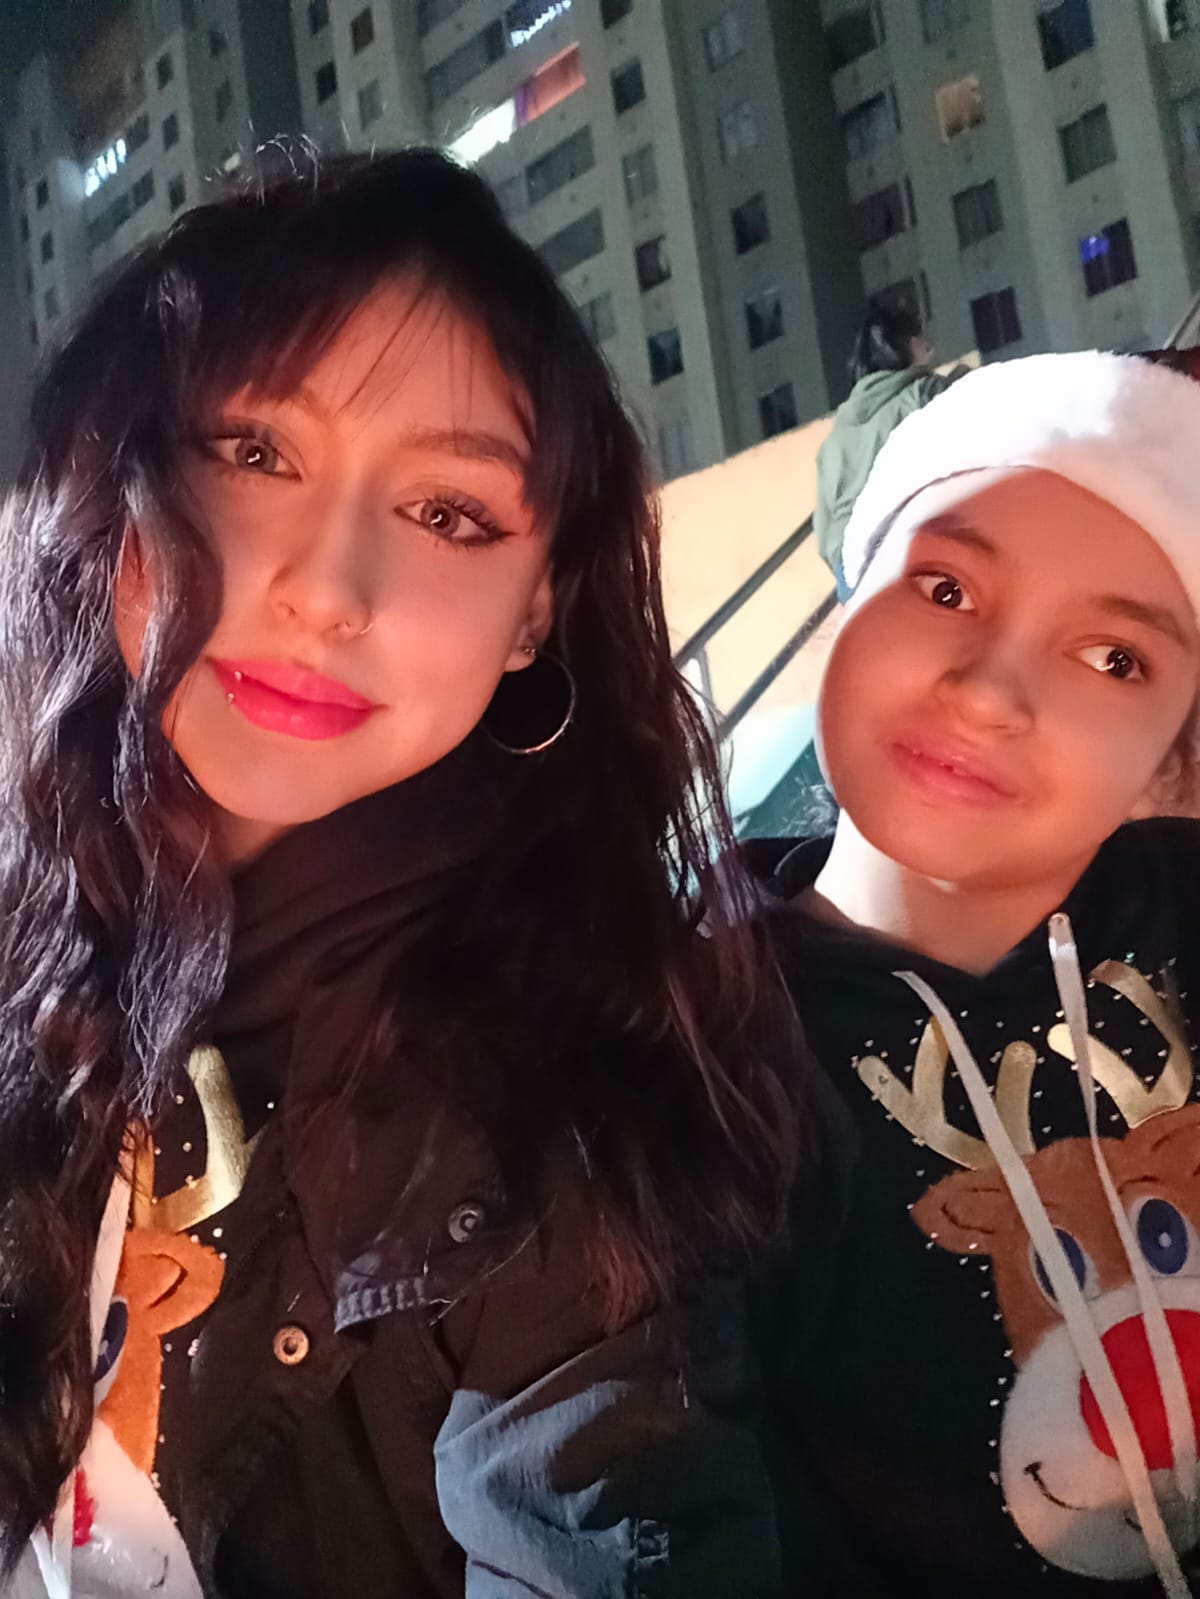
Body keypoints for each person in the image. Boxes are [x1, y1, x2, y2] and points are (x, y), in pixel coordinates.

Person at [0, 148, 803, 1598]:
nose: (328, 589)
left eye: (450, 514)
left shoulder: (566, 1096)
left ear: (532, 612)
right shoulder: (28, 947)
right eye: (255, 454)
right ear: (113, 479)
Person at [755, 351, 1200, 1597]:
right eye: (945, 587)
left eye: (1115, 658)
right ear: (847, 601)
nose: (994, 693)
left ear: (1173, 751)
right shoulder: (678, 1039)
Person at [814, 298, 963, 603]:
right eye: (923, 341)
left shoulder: (833, 442)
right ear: (910, 346)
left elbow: (823, 534)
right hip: (903, 544)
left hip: (851, 570)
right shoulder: (923, 394)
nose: (930, 350)